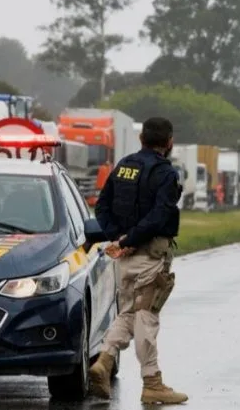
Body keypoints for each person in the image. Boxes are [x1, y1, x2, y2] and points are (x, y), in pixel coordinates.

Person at [88, 116, 188, 405]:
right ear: (169, 143)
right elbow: (159, 216)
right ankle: (152, 382)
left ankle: (104, 360)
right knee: (146, 317)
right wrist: (130, 240)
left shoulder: (124, 167)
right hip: (149, 257)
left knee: (128, 314)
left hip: (123, 259)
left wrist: (118, 238)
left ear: (141, 139)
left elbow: (102, 205)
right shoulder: (166, 175)